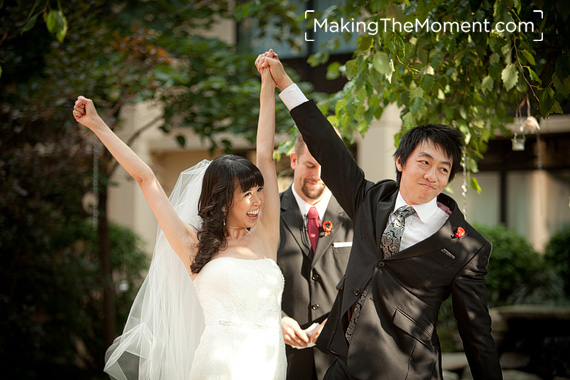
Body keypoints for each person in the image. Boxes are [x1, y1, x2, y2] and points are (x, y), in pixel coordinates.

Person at [256, 51, 502, 380]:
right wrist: (284, 82)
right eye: (424, 162)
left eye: (443, 169)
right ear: (401, 161)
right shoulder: (370, 200)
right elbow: (328, 146)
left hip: (406, 372)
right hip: (343, 365)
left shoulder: (467, 246)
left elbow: (476, 332)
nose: (432, 175)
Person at [72, 61, 286, 379]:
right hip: (218, 368)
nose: (257, 201)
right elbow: (146, 179)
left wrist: (267, 83)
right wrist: (98, 125)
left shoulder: (266, 233)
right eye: (246, 194)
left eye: (259, 190)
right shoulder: (193, 244)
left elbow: (265, 155)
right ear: (223, 200)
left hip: (269, 366)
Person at [277, 133, 354, 380]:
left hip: (342, 361)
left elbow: (368, 283)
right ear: (293, 160)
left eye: (325, 167)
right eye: (310, 165)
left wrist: (337, 324)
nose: (318, 175)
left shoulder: (356, 215)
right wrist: (275, 320)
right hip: (283, 361)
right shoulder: (264, 217)